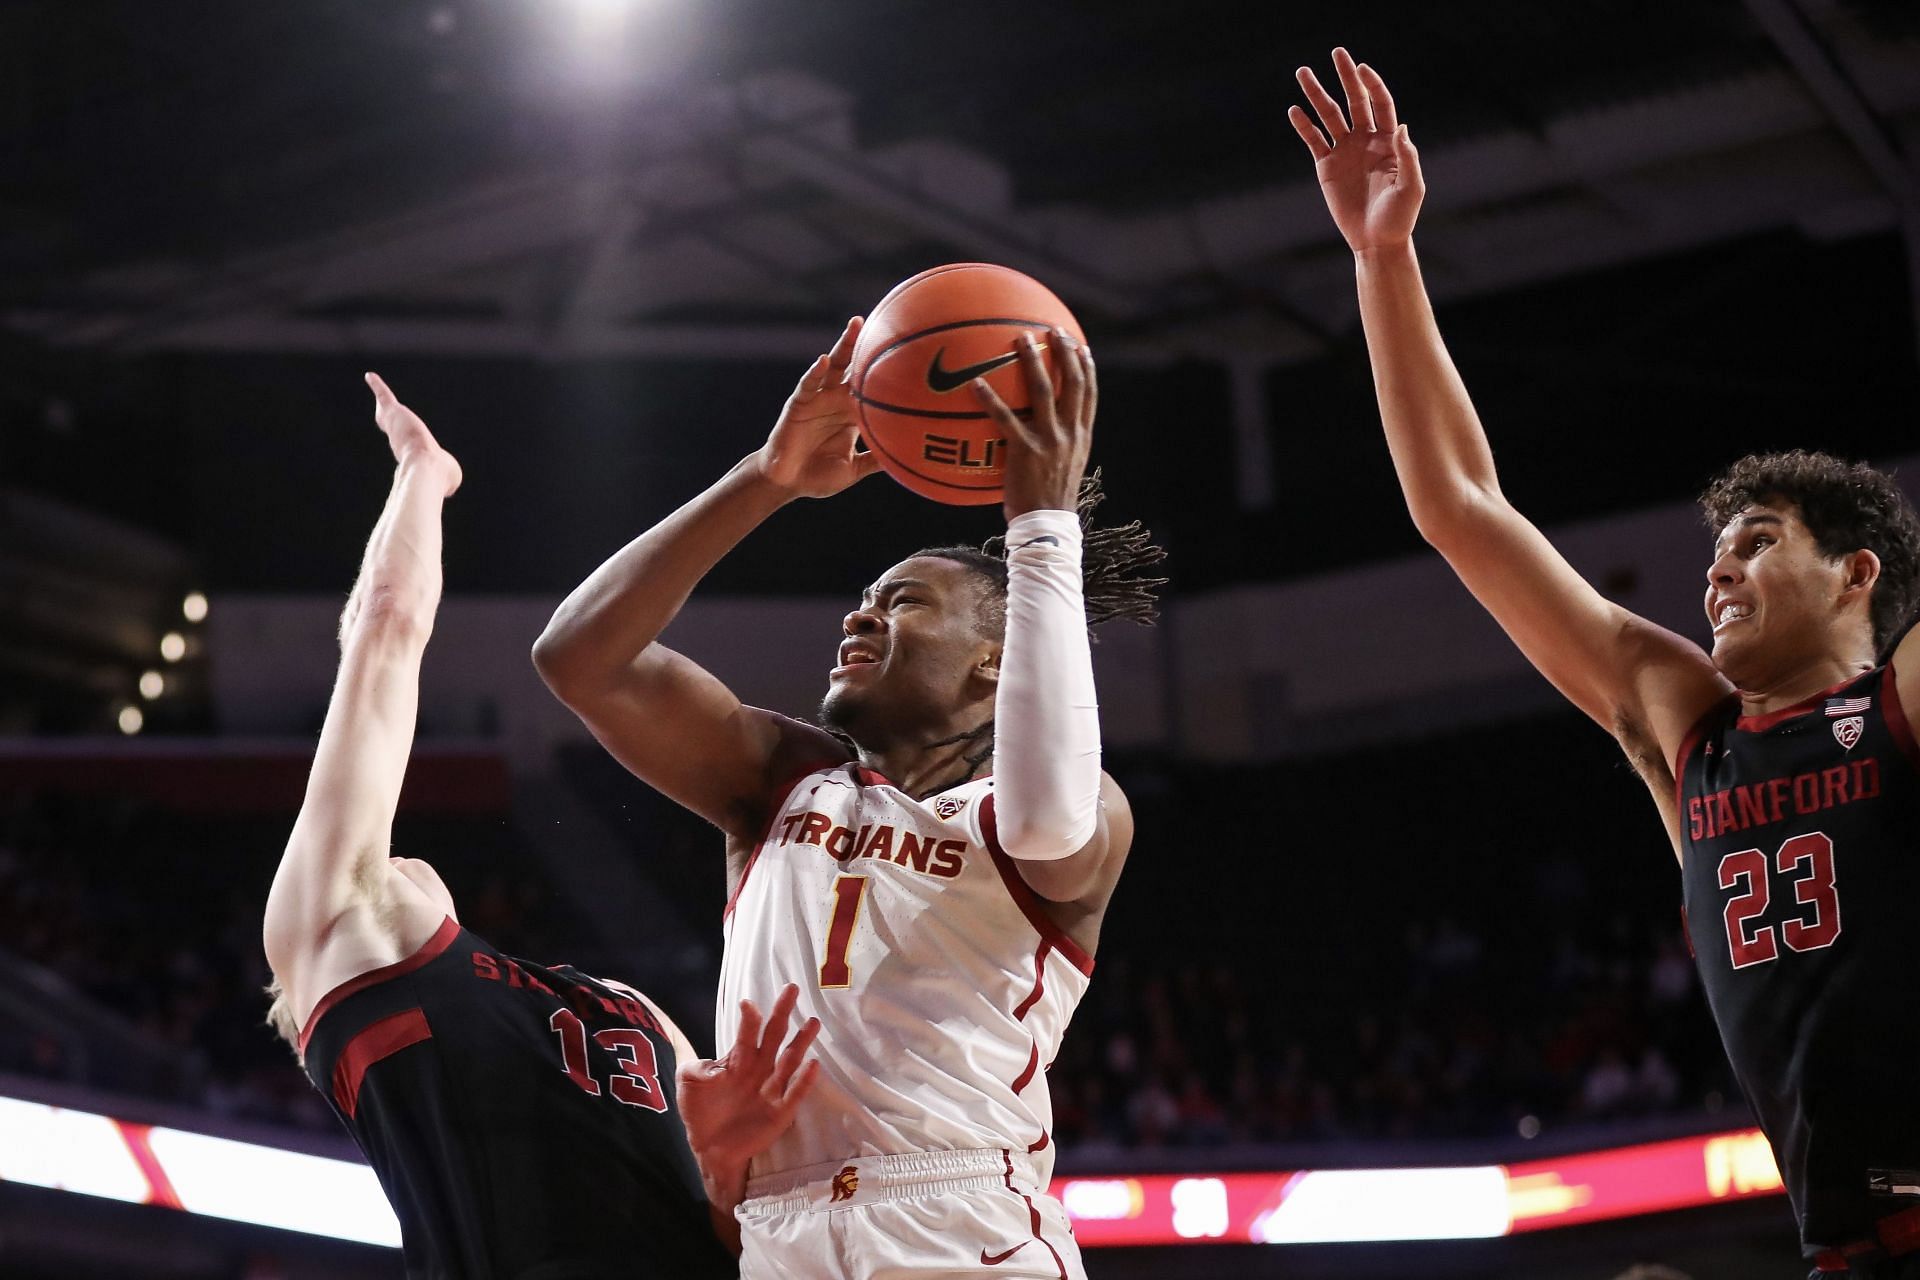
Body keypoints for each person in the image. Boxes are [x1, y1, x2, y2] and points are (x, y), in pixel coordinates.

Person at [1291, 48, 1920, 1279]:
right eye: (1716, 548)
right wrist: (1382, 258)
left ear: (1858, 576)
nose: (1719, 569)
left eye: (1759, 541)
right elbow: (1463, 506)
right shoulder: (1686, 726)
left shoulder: (1899, 700)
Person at [534, 321, 1164, 1278]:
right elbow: (579, 656)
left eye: (906, 601)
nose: (861, 611)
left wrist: (1041, 531)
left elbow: (1043, 813)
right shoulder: (780, 778)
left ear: (995, 662)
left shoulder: (1068, 810)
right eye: (866, 595)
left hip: (962, 1219)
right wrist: (766, 477)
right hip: (777, 1234)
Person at [263, 374, 822, 1278]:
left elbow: (723, 1231)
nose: (401, 855)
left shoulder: (629, 1011)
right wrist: (421, 474)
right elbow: (385, 626)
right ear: (303, 999)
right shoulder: (341, 931)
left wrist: (729, 1174)